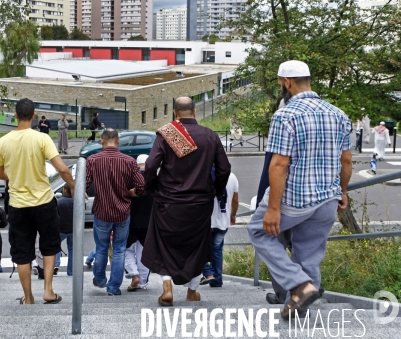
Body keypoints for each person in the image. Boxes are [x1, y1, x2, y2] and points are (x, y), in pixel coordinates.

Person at [247, 60, 352, 319]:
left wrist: (273, 208)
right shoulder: (339, 114)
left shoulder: (286, 115)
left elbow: (279, 164)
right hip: (328, 198)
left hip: (294, 200)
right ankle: (297, 308)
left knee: (258, 232)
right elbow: (346, 161)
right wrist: (344, 191)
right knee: (309, 254)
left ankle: (299, 284)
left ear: (287, 83)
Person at [142, 97, 231, 306]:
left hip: (169, 201)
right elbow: (224, 168)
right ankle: (192, 292)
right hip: (200, 203)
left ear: (175, 114)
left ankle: (166, 288)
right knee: (197, 246)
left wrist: (152, 189)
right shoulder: (210, 136)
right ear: (195, 112)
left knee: (162, 243)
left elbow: (150, 164)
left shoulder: (166, 134)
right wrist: (215, 190)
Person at [0, 98, 75, 305]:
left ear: (15, 114)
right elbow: (63, 168)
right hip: (44, 202)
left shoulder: (3, 142)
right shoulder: (41, 139)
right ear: (34, 115)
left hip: (18, 205)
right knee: (48, 246)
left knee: (22, 251)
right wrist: (74, 185)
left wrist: (16, 173)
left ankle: (28, 297)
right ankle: (48, 290)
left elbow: (0, 173)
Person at [86, 129, 145, 295]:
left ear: (101, 141)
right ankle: (113, 287)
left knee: (101, 247)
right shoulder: (129, 161)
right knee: (119, 249)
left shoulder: (93, 160)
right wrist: (129, 193)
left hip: (101, 211)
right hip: (123, 212)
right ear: (118, 142)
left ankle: (100, 279)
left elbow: (84, 184)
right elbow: (141, 187)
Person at [200, 172, 239, 287]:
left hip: (206, 220)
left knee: (198, 248)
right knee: (216, 250)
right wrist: (232, 215)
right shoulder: (232, 176)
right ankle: (216, 280)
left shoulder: (203, 174)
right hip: (223, 220)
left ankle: (208, 272)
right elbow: (235, 200)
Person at [125, 155, 153, 292]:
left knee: (126, 250)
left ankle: (133, 273)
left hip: (130, 221)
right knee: (144, 253)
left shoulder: (130, 179)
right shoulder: (154, 180)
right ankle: (142, 282)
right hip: (148, 223)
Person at [57, 184, 74, 276]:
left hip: (61, 229)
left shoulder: (59, 202)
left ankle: (55, 265)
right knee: (72, 250)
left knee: (55, 246)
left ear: (65, 190)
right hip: (73, 230)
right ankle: (70, 272)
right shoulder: (76, 201)